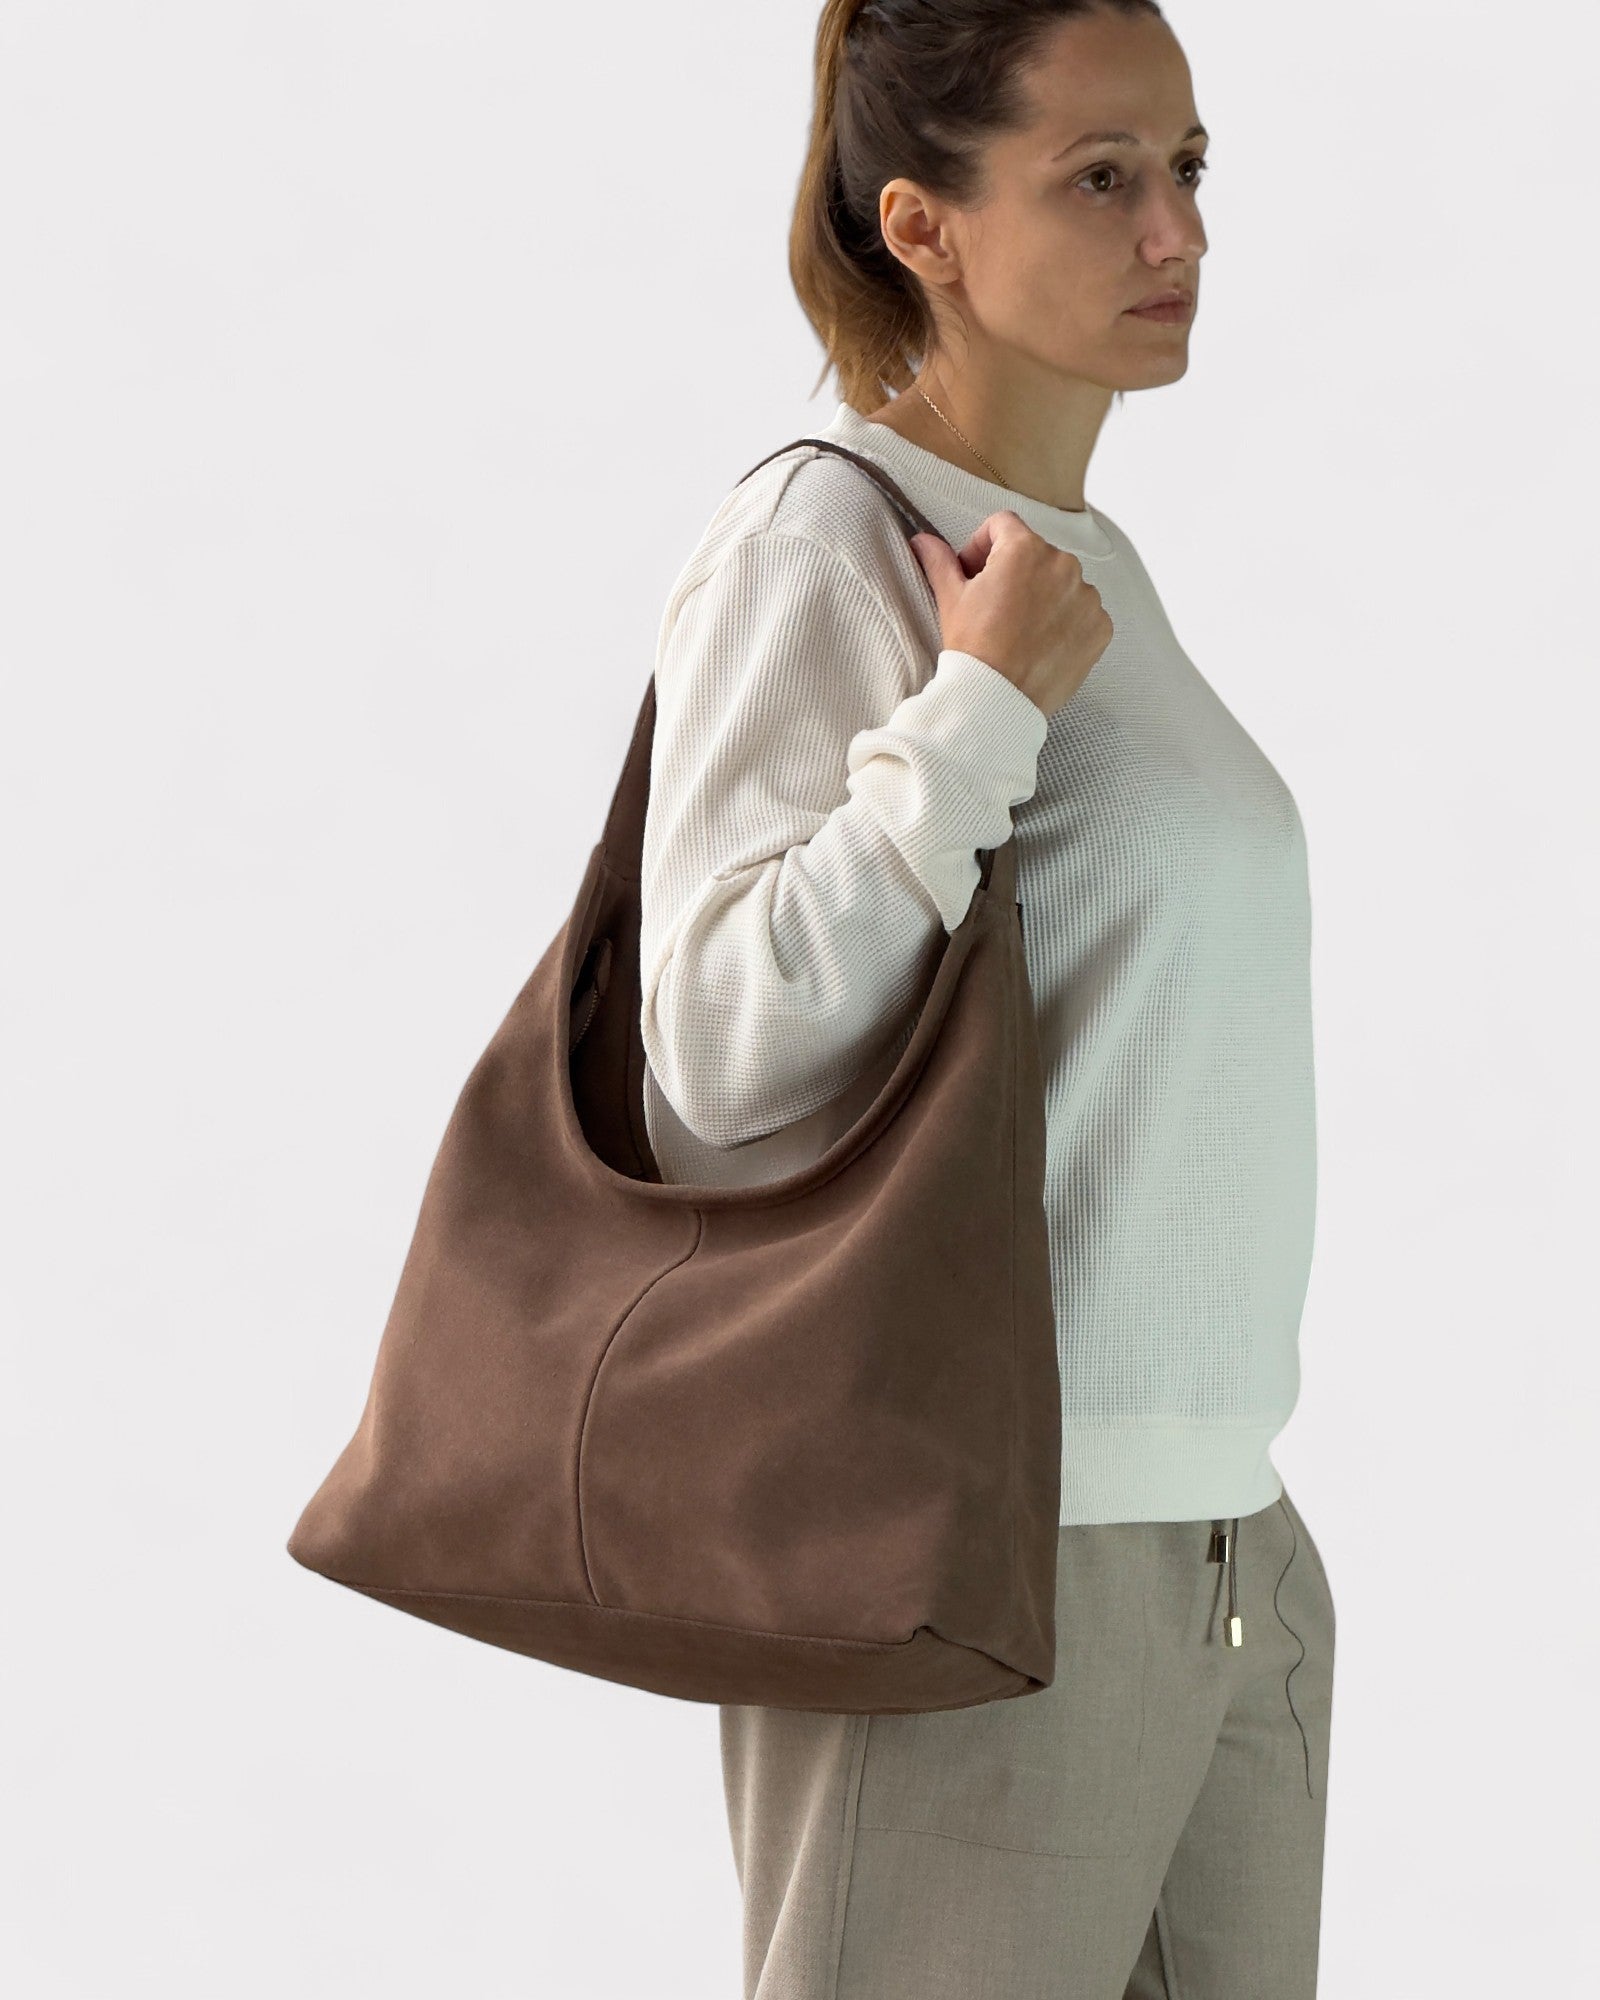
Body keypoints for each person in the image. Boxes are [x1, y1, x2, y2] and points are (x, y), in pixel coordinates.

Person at [638, 1, 1336, 1993]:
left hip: (1222, 1559)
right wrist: (973, 707)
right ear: (918, 226)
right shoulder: (821, 538)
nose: (1169, 231)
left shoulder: (1089, 563)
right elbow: (716, 1047)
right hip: (975, 1561)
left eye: (1185, 168)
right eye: (1096, 177)